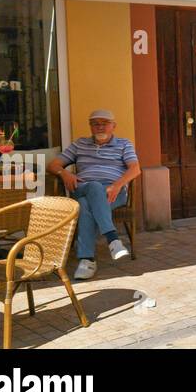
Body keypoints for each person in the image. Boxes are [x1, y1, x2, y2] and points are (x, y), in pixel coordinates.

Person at [48, 109, 139, 279]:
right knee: (95, 187)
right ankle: (113, 239)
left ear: (113, 126)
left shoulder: (123, 144)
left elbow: (135, 169)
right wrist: (64, 173)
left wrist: (117, 185)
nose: (100, 127)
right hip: (83, 187)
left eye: (104, 124)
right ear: (90, 127)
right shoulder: (80, 144)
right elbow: (53, 165)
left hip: (113, 192)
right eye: (95, 124)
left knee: (84, 205)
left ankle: (87, 260)